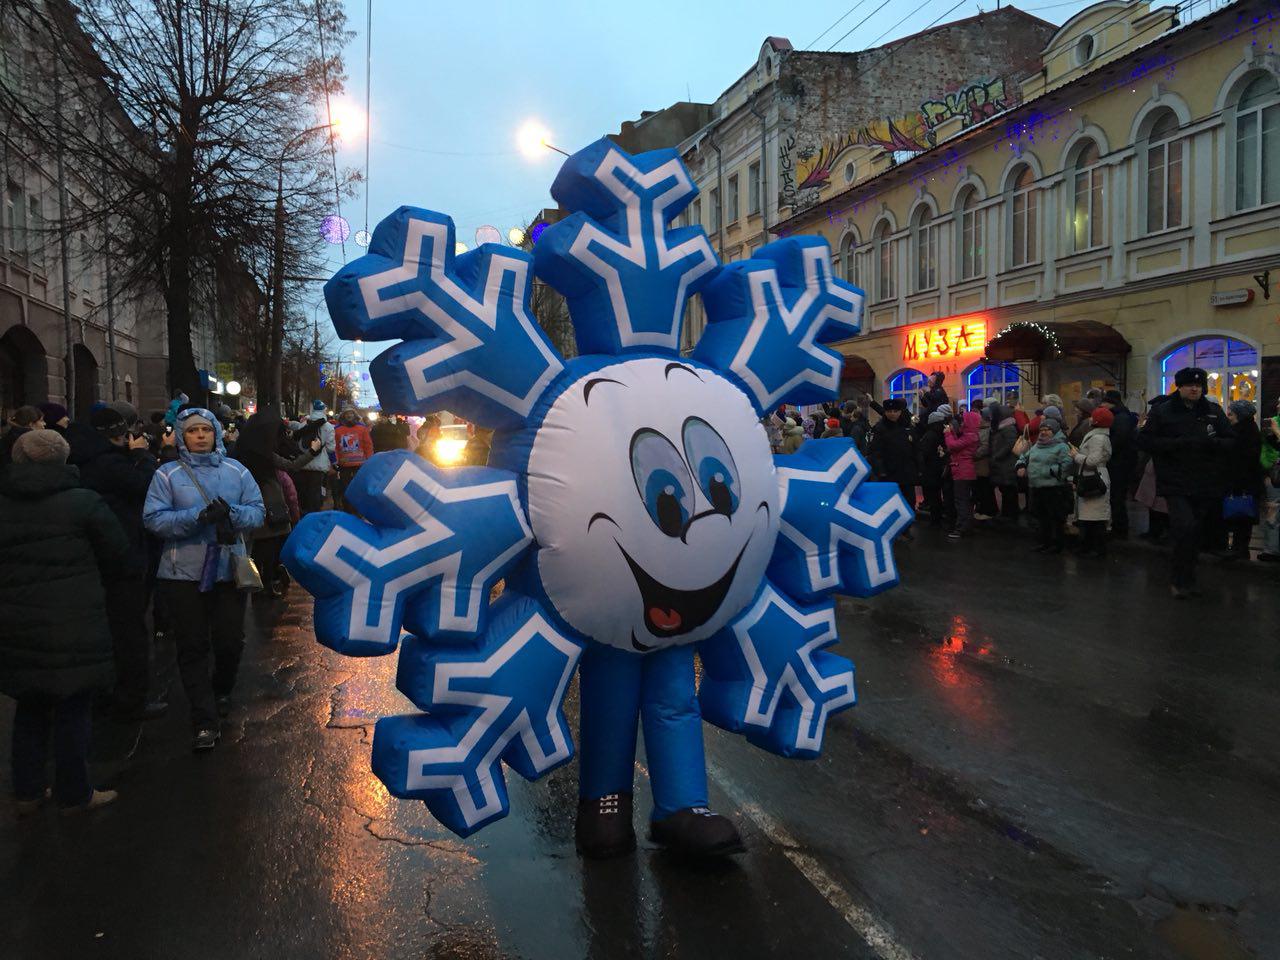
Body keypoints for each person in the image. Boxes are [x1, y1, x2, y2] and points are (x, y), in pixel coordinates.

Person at [1, 429, 130, 814]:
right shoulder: (83, 503)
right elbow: (118, 554)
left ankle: (27, 790)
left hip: (17, 621)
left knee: (30, 705)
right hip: (75, 618)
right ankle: (74, 792)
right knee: (74, 706)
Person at [143, 408, 264, 750]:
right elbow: (154, 519)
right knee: (192, 644)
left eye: (206, 430)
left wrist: (232, 513)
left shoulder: (237, 471)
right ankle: (203, 719)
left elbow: (257, 511)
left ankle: (221, 690)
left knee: (229, 641)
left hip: (228, 572)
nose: (200, 436)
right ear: (183, 436)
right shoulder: (167, 474)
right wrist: (197, 517)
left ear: (216, 434)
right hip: (182, 574)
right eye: (193, 430)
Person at [66, 404, 168, 722]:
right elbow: (146, 486)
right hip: (123, 555)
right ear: (118, 433)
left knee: (110, 628)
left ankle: (107, 692)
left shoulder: (84, 457)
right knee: (129, 631)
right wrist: (143, 456)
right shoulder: (109, 463)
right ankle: (130, 699)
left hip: (97, 558)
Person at [1137, 367, 1234, 598]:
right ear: (1179, 387)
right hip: (1175, 481)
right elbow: (1145, 440)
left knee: (1195, 531)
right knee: (1185, 527)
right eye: (1190, 385)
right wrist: (1176, 444)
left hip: (1204, 481)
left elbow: (1231, 440)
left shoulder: (1212, 411)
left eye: (1198, 386)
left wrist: (1212, 444)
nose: (1194, 389)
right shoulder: (1164, 411)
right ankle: (1179, 579)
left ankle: (1188, 578)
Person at [232, 411, 323, 597]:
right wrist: (313, 451)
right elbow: (292, 466)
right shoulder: (265, 454)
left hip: (252, 508)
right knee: (270, 550)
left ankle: (257, 585)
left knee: (258, 550)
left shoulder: (238, 452)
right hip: (271, 508)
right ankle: (266, 585)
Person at [1018, 419, 1075, 553]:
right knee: (1042, 517)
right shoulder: (1036, 446)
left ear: (1054, 431)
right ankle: (1044, 542)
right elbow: (1024, 457)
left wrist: (1050, 472)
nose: (1043, 432)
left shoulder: (1062, 446)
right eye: (1042, 430)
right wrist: (1021, 466)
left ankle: (1056, 544)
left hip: (1054, 488)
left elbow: (1067, 464)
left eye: (1047, 430)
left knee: (1054, 518)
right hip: (1037, 487)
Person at [867, 398, 917, 539]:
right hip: (889, 473)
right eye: (889, 411)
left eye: (895, 411)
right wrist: (881, 470)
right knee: (890, 503)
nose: (892, 414)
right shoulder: (880, 428)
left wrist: (918, 468)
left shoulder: (907, 426)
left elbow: (915, 449)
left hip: (906, 472)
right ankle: (891, 529)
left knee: (908, 502)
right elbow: (875, 452)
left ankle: (906, 528)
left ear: (900, 412)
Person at [1223, 400, 1264, 561]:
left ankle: (1239, 549)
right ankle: (1240, 548)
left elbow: (1241, 459)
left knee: (1241, 516)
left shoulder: (1241, 433)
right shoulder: (1250, 430)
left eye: (1231, 414)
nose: (1229, 417)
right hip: (1247, 482)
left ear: (1240, 415)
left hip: (1242, 482)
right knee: (1243, 517)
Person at [1072, 406, 1114, 557]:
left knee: (1094, 517)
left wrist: (1076, 455)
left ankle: (1094, 548)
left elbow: (1092, 460)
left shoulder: (1098, 438)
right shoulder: (1099, 436)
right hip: (1094, 476)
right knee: (1093, 516)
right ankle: (1090, 546)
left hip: (1094, 478)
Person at [1099, 390, 1137, 539]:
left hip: (1120, 463)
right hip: (1122, 462)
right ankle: (1119, 527)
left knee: (1117, 496)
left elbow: (1118, 440)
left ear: (1111, 403)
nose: (1102, 405)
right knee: (1117, 496)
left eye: (1104, 402)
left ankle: (1120, 529)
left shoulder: (1119, 417)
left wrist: (1106, 451)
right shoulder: (1122, 415)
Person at [292, 400, 336, 514]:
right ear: (324, 410)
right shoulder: (328, 427)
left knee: (303, 494)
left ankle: (303, 515)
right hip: (318, 467)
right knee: (315, 493)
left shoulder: (304, 424)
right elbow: (331, 448)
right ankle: (314, 515)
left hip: (302, 464)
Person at [944, 410, 980, 540]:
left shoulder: (970, 436)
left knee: (961, 501)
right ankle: (967, 527)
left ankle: (961, 529)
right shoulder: (971, 435)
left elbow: (953, 445)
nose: (962, 423)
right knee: (965, 501)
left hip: (963, 472)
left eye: (964, 420)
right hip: (965, 471)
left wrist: (948, 434)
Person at [332, 407, 373, 511]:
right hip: (344, 464)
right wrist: (336, 460)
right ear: (343, 416)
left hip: (360, 464)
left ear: (355, 415)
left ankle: (357, 508)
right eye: (347, 414)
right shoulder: (337, 429)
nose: (349, 415)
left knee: (359, 487)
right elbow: (335, 446)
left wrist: (369, 460)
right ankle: (347, 508)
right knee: (345, 487)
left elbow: (368, 445)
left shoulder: (362, 428)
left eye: (351, 413)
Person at [917, 404, 952, 526]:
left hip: (930, 469)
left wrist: (921, 468)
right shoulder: (946, 432)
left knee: (933, 495)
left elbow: (923, 452)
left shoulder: (929, 435)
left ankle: (935, 520)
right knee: (943, 494)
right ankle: (945, 517)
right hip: (942, 467)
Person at [989, 403, 1021, 520]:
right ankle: (1007, 513)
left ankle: (1010, 514)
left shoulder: (1008, 428)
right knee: (1006, 490)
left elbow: (1010, 444)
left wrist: (997, 456)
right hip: (1003, 464)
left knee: (1009, 491)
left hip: (1007, 464)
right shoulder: (1002, 427)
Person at [1260, 397, 1280, 562]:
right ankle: (1271, 549)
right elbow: (1266, 448)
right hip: (1275, 476)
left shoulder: (1275, 426)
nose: (1278, 406)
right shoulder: (1271, 423)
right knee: (1273, 511)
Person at [972, 403, 997, 519]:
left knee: (985, 488)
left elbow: (985, 446)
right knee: (982, 487)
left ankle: (988, 511)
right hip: (980, 463)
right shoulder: (983, 428)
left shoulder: (987, 430)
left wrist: (974, 454)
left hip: (983, 463)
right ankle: (984, 509)